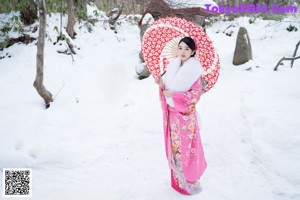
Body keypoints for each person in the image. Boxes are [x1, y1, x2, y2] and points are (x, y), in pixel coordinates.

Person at [155, 37, 207, 195]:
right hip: (172, 116)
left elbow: (195, 95)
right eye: (180, 48)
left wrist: (175, 95)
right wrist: (161, 84)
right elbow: (167, 92)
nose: (183, 52)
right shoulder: (173, 67)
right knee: (174, 148)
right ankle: (178, 182)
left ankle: (189, 182)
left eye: (186, 49)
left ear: (192, 51)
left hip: (185, 119)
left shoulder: (195, 72)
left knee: (186, 150)